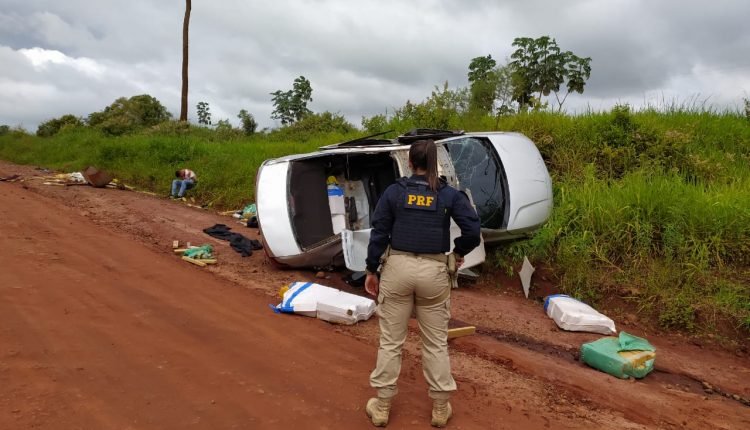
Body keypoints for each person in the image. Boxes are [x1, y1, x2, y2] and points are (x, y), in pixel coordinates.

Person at [364, 140, 481, 427]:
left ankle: (381, 407)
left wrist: (371, 270)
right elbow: (473, 230)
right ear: (435, 164)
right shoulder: (448, 195)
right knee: (436, 343)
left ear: (410, 161)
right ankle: (440, 408)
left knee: (391, 342)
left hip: (397, 270)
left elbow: (379, 232)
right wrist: (458, 254)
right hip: (434, 272)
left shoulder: (395, 192)